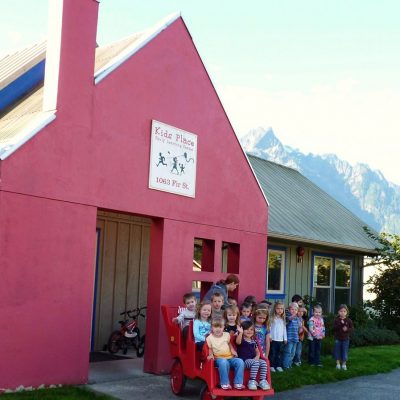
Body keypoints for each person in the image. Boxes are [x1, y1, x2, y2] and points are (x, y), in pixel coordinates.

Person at [206, 318, 245, 390]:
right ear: (211, 328)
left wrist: (232, 350)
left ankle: (238, 383)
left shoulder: (226, 335)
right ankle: (224, 383)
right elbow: (210, 348)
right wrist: (211, 355)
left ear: (224, 327)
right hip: (219, 359)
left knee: (240, 361)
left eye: (220, 327)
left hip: (230, 357)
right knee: (224, 362)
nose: (218, 329)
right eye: (215, 327)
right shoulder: (209, 338)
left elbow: (229, 343)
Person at [236, 320, 270, 390]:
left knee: (263, 363)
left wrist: (257, 356)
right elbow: (238, 342)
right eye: (246, 329)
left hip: (253, 360)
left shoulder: (253, 340)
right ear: (242, 330)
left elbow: (257, 351)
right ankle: (252, 381)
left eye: (251, 329)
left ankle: (262, 380)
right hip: (244, 361)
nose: (249, 331)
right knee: (256, 362)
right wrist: (240, 333)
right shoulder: (242, 339)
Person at [333, 304, 353, 370]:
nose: (342, 312)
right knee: (337, 351)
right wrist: (341, 324)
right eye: (341, 311)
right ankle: (338, 364)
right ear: (338, 312)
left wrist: (347, 329)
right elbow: (334, 328)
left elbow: (352, 329)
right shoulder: (336, 320)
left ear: (347, 312)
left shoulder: (349, 320)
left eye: (344, 311)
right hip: (337, 338)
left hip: (345, 339)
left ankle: (344, 364)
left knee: (345, 351)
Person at [269, 301, 287, 372]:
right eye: (278, 308)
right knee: (273, 353)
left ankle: (278, 365)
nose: (280, 310)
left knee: (279, 353)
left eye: (281, 309)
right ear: (274, 309)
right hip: (273, 339)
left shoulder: (283, 319)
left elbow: (284, 329)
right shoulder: (272, 318)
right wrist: (270, 336)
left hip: (280, 340)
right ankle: (272, 365)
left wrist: (285, 338)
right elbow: (269, 328)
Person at [282, 302, 299, 369]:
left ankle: (289, 364)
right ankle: (285, 365)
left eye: (295, 310)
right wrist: (293, 316)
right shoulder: (288, 317)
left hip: (295, 338)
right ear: (289, 310)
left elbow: (298, 327)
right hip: (289, 338)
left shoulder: (297, 318)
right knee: (288, 352)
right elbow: (289, 319)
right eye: (292, 309)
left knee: (293, 353)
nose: (294, 311)